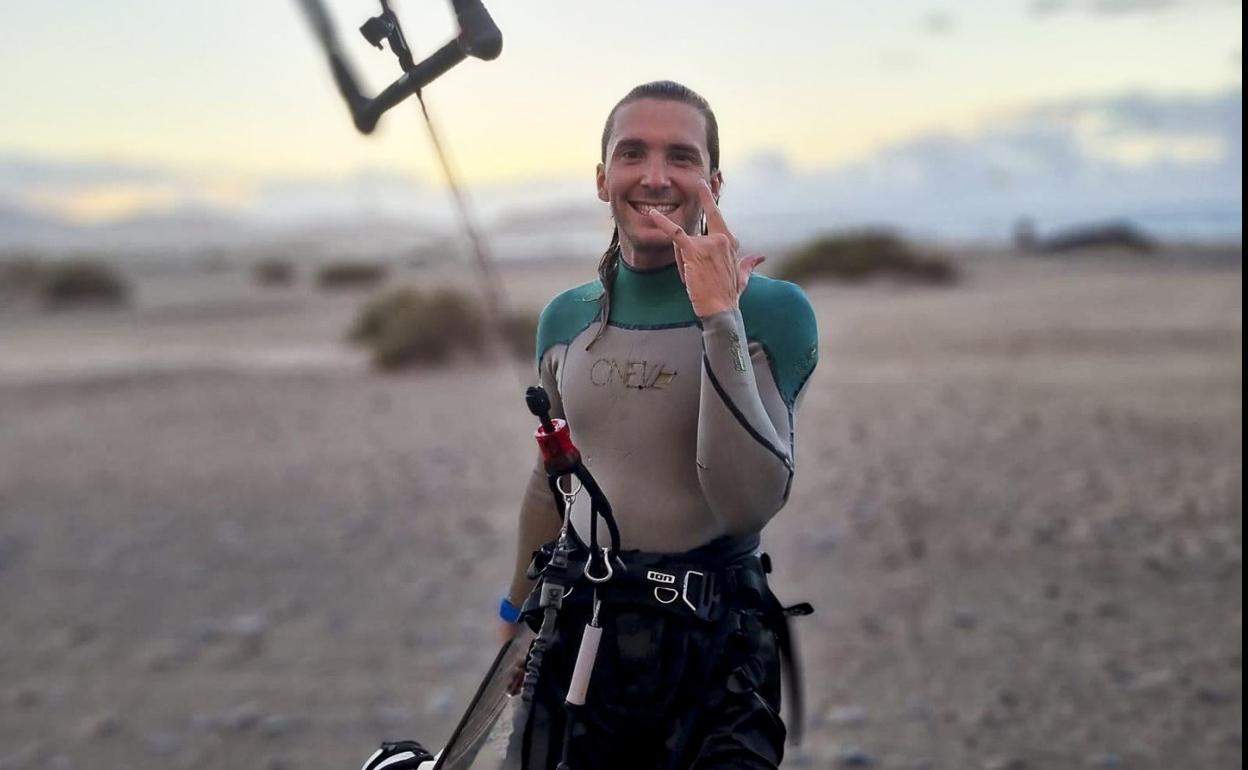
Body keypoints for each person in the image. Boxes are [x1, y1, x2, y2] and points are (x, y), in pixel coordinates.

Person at [499, 80, 818, 770]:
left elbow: (744, 502)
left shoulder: (774, 313)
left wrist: (718, 318)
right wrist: (512, 621)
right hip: (577, 632)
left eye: (681, 156)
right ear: (601, 177)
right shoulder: (565, 318)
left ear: (714, 181)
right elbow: (551, 481)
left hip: (717, 651)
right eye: (631, 153)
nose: (654, 176)